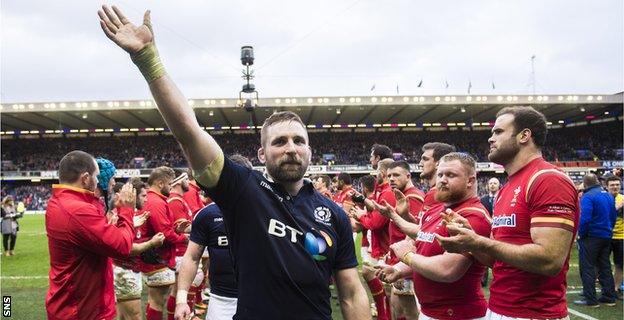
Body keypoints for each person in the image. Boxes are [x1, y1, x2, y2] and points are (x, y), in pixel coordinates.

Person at [99, 6, 368, 319]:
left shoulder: (333, 214)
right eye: (279, 142)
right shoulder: (244, 191)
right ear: (261, 155)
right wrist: (148, 60)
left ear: (310, 151)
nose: (291, 148)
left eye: (299, 141)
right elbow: (189, 132)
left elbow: (349, 292)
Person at [436, 106, 580, 319]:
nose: (490, 139)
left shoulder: (547, 180)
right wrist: (470, 241)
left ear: (524, 136)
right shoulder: (506, 188)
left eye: (498, 132)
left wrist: (479, 242)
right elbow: (497, 261)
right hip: (499, 308)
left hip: (534, 314)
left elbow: (550, 260)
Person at [377, 152, 491, 320]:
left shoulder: (473, 216)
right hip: (430, 312)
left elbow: (448, 269)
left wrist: (407, 256)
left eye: (450, 175)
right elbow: (425, 253)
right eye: (440, 175)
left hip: (458, 314)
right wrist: (398, 270)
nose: (442, 180)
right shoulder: (436, 211)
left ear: (470, 181)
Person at [45, 150, 136, 320]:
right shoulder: (78, 210)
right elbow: (122, 246)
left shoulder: (59, 201)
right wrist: (127, 210)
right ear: (86, 178)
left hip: (71, 302)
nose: (98, 180)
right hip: (82, 309)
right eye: (96, 176)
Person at [175, 154, 253, 320]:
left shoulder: (265, 212)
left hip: (259, 298)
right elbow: (192, 257)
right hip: (221, 301)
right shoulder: (208, 214)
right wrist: (181, 300)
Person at [138, 166, 189, 320]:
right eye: (169, 184)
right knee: (157, 301)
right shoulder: (156, 202)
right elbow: (165, 234)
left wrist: (176, 230)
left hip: (153, 257)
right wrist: (184, 238)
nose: (171, 187)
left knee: (154, 300)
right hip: (158, 259)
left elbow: (163, 229)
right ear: (160, 183)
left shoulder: (153, 199)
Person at [350, 158, 395, 320]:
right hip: (379, 245)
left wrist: (362, 216)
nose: (375, 175)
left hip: (387, 248)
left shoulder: (388, 193)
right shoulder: (381, 192)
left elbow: (375, 222)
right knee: (372, 275)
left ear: (382, 173)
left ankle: (385, 315)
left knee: (396, 293)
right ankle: (384, 313)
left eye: (377, 172)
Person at [574, 173, 618, 307]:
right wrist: (608, 229)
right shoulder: (608, 195)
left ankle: (590, 300)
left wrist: (580, 234)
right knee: (605, 267)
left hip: (591, 237)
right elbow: (613, 215)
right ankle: (609, 297)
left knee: (587, 267)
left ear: (585, 184)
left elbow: (585, 219)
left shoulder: (588, 196)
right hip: (606, 236)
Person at [166, 169, 195, 320]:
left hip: (182, 248)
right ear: (179, 182)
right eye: (186, 179)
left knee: (178, 289)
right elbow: (180, 227)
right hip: (179, 250)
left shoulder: (179, 199)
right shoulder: (176, 201)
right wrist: (203, 226)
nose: (189, 182)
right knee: (178, 290)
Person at [419, 143, 456, 214]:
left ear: (438, 164)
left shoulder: (435, 193)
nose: (420, 164)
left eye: (425, 159)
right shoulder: (446, 191)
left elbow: (425, 225)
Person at [605, 175, 624, 298]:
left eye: (617, 184)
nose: (615, 187)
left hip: (621, 236)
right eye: (612, 185)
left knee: (620, 264)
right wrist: (617, 208)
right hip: (605, 236)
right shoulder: (603, 199)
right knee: (601, 263)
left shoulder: (623, 198)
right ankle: (605, 287)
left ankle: (615, 289)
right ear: (606, 187)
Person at [479, 177, 500, 287]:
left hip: (499, 230)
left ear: (498, 185)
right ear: (487, 185)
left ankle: (500, 276)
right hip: (486, 228)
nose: (492, 185)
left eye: (495, 183)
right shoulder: (482, 200)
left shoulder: (503, 197)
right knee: (485, 252)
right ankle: (483, 279)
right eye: (491, 183)